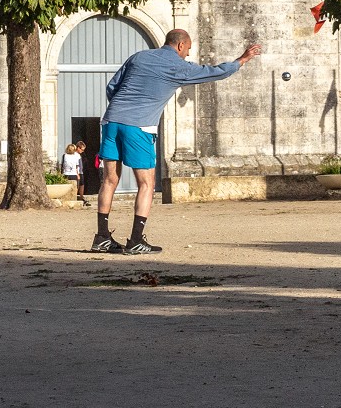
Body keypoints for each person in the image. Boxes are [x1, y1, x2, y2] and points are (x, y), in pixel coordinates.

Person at [92, 30, 262, 254]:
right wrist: (242, 60)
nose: (188, 53)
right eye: (189, 49)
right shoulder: (180, 67)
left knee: (110, 180)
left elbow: (112, 87)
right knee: (146, 183)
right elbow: (216, 72)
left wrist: (123, 110)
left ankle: (102, 238)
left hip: (111, 120)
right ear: (181, 45)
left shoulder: (138, 57)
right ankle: (135, 240)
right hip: (139, 125)